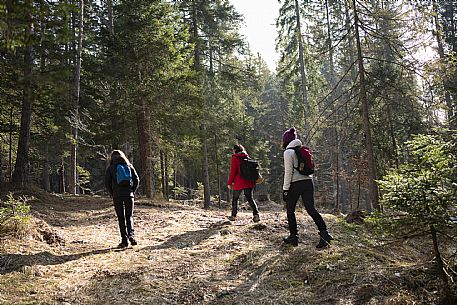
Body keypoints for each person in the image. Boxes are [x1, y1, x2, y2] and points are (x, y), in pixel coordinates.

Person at [281, 127, 333, 248]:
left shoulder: (288, 152)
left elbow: (288, 172)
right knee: (311, 209)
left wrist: (285, 189)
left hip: (295, 183)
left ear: (286, 140)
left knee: (290, 210)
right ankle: (324, 233)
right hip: (308, 182)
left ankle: (293, 237)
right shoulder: (301, 149)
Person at [105, 150, 140, 248]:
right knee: (129, 216)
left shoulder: (111, 168)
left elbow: (107, 183)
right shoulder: (129, 166)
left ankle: (124, 240)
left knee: (121, 218)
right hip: (129, 195)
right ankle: (132, 237)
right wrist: (132, 191)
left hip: (117, 196)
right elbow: (136, 179)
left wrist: (112, 193)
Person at [227, 144, 260, 222]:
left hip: (239, 182)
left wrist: (229, 182)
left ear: (235, 150)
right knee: (250, 198)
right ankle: (256, 215)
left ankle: (233, 216)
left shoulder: (235, 158)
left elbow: (233, 172)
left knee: (235, 198)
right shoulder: (246, 156)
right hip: (249, 181)